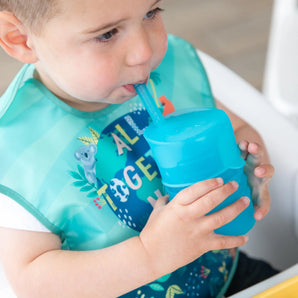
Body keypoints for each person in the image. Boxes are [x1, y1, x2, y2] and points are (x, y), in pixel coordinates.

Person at [0, 0, 277, 297]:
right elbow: (34, 282)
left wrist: (248, 162)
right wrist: (149, 255)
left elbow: (235, 131)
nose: (144, 50)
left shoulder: (164, 72)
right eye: (106, 34)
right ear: (20, 38)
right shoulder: (20, 151)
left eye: (151, 13)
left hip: (227, 274)